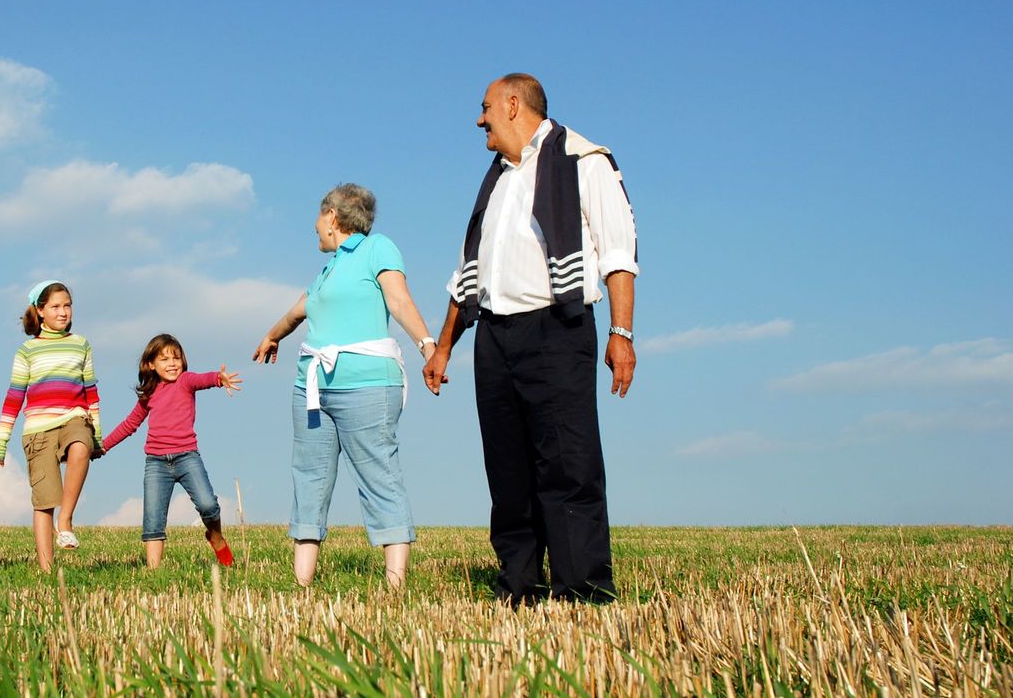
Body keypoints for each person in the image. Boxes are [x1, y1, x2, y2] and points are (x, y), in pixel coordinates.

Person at [422, 73, 638, 605]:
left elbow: (618, 253)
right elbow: (467, 272)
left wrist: (621, 331)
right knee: (507, 468)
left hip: (557, 328)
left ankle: (582, 590)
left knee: (568, 463)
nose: (480, 119)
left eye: (485, 107)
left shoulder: (584, 160)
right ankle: (519, 586)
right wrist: (446, 345)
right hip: (494, 336)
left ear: (513, 105)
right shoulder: (494, 179)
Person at [253, 184, 437, 588]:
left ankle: (395, 585)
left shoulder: (377, 249)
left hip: (368, 385)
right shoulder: (328, 269)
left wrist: (429, 348)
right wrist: (272, 336)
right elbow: (298, 311)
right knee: (309, 477)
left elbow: (400, 301)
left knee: (379, 474)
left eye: (318, 219)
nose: (315, 228)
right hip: (313, 387)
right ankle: (301, 584)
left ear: (332, 217)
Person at [101, 333, 243, 569]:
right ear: (151, 364)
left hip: (187, 457)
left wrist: (219, 378)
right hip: (156, 463)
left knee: (208, 505)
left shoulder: (185, 381)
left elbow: (203, 379)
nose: (172, 364)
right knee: (153, 520)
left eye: (176, 358)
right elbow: (129, 424)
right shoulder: (149, 394)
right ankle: (154, 572)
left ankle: (216, 537)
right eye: (165, 359)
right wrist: (104, 446)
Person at [0, 281, 101, 571]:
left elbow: (91, 392)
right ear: (40, 311)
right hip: (38, 429)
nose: (63, 312)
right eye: (55, 307)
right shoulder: (27, 351)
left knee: (80, 447)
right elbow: (14, 397)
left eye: (67, 306)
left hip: (74, 418)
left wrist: (96, 435)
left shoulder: (81, 344)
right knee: (44, 500)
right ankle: (47, 569)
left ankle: (66, 519)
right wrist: (0, 443)